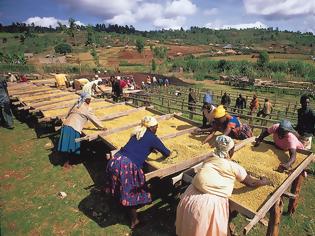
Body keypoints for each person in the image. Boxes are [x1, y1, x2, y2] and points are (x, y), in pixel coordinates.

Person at [176, 135, 271, 236]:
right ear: (230, 151)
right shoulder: (234, 167)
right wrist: (265, 181)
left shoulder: (209, 159)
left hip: (190, 196)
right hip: (209, 205)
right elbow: (251, 183)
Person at [105, 116, 170, 229]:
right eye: (156, 127)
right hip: (126, 165)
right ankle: (134, 221)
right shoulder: (152, 137)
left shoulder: (137, 133)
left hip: (116, 160)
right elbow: (166, 152)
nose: (157, 129)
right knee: (131, 190)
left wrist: (150, 148)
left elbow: (137, 146)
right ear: (152, 127)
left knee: (120, 185)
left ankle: (118, 205)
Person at [58, 93, 105, 166]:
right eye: (89, 100)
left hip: (66, 125)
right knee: (72, 147)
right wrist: (102, 127)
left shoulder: (76, 104)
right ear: (86, 100)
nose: (90, 101)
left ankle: (67, 160)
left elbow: (68, 113)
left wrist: (66, 119)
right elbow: (94, 119)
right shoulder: (87, 109)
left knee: (67, 145)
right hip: (73, 127)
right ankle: (69, 163)